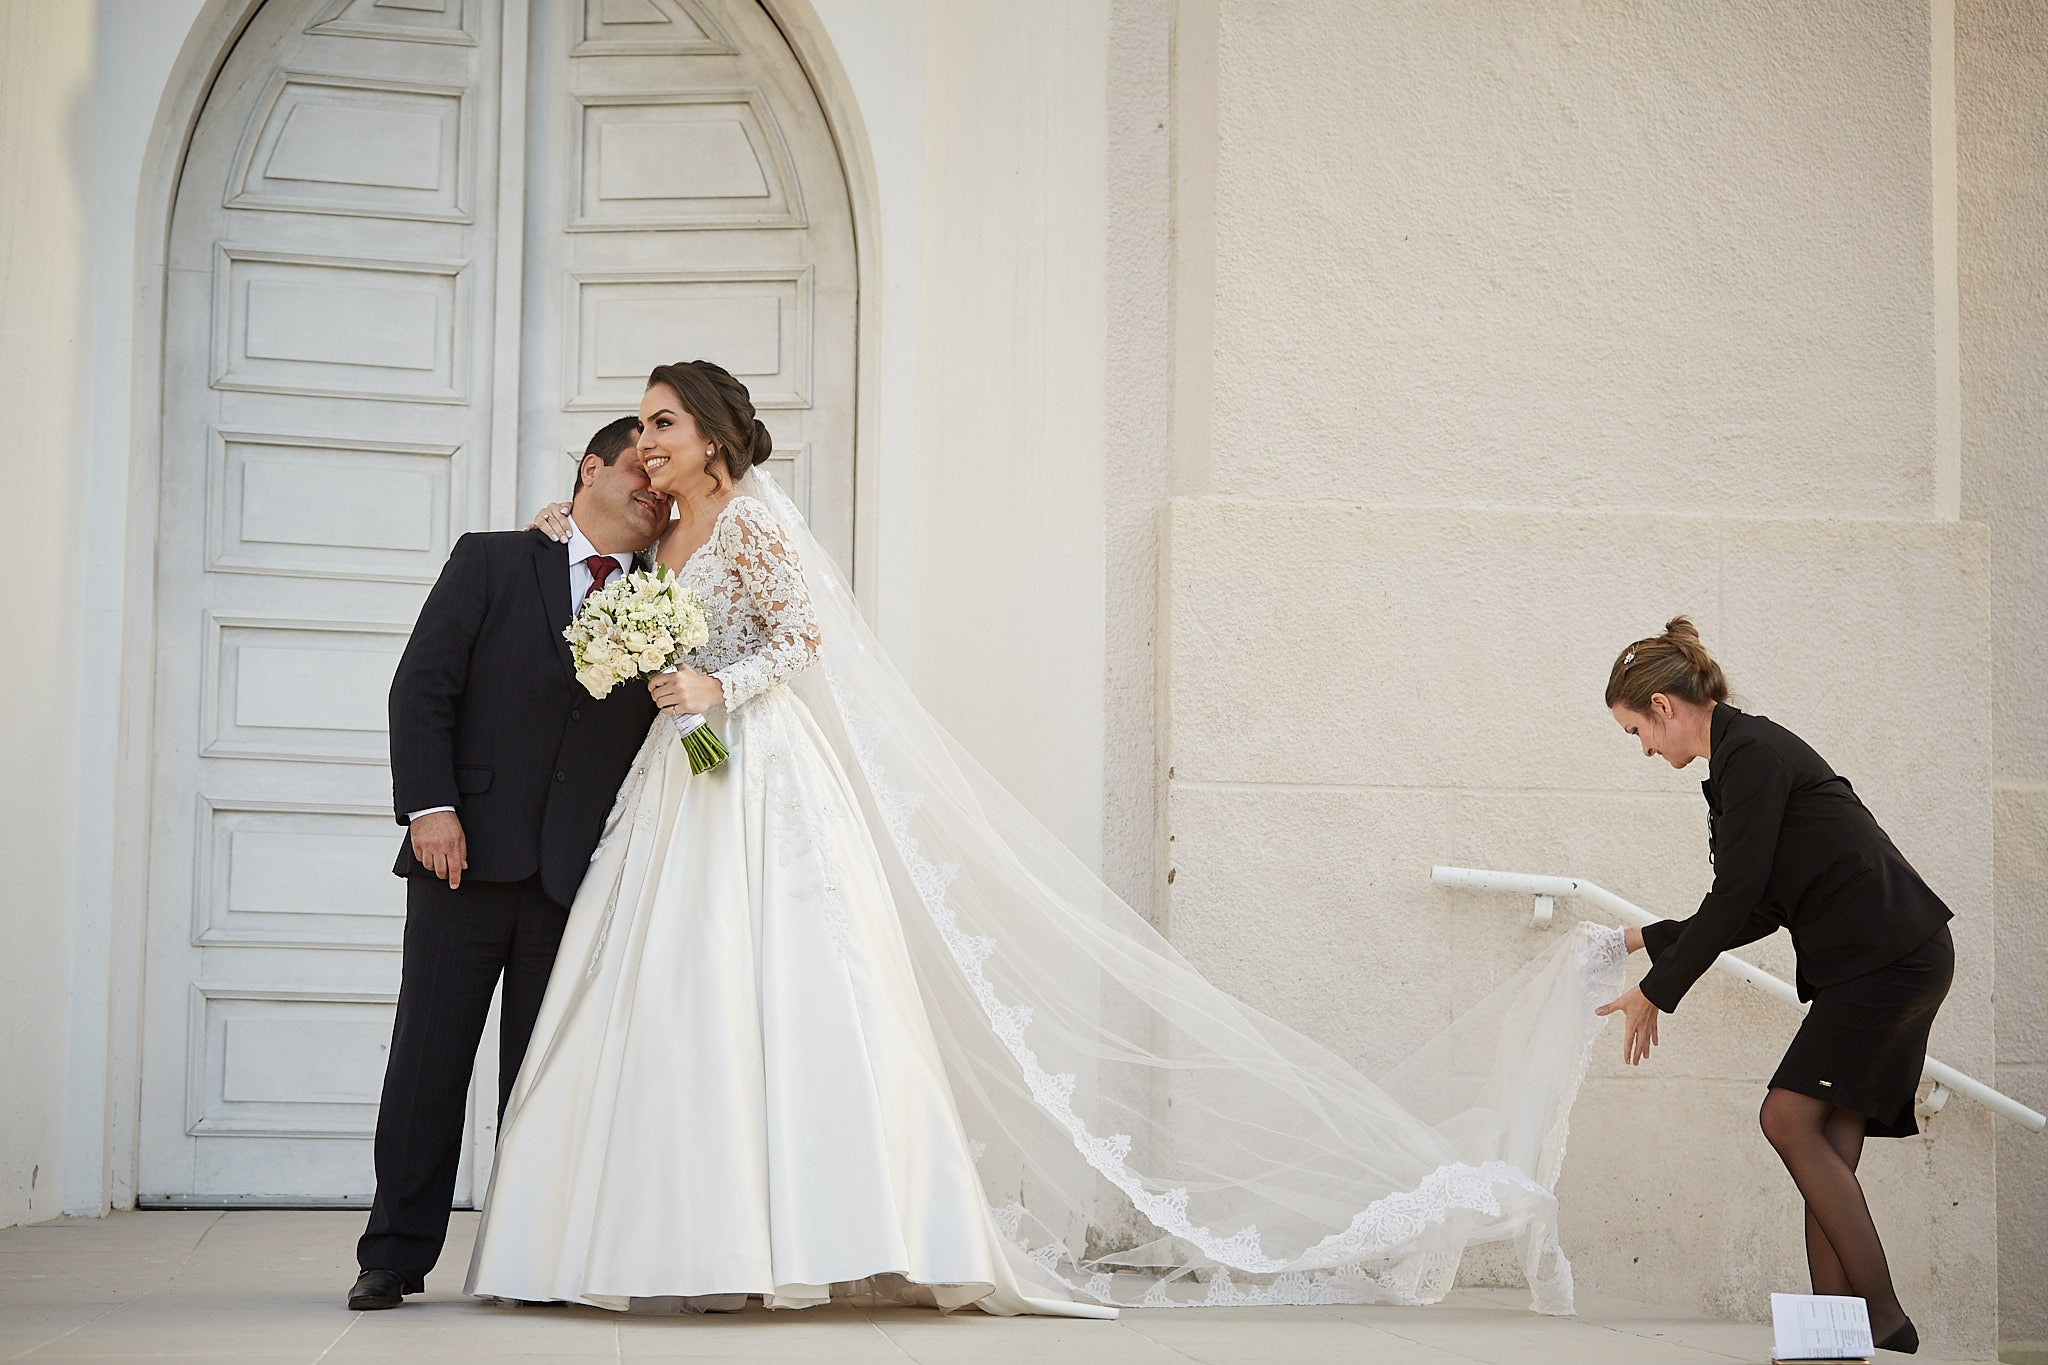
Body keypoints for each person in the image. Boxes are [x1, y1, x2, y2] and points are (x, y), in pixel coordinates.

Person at [466, 358, 1625, 1317]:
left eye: (661, 424)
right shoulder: (663, 522)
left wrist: (717, 692)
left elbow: (799, 640)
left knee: (772, 986)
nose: (642, 444)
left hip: (751, 772)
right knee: (665, 991)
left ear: (712, 437)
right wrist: (565, 536)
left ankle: (796, 1230)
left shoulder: (755, 527)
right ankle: (641, 1237)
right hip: (678, 783)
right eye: (641, 429)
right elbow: (602, 559)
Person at [349, 418, 668, 1311]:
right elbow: (422, 687)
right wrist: (431, 807)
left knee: (541, 1073)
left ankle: (532, 1253)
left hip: (579, 873)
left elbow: (684, 734)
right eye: (636, 470)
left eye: (662, 478)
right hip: (465, 856)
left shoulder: (668, 598)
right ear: (589, 470)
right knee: (428, 1060)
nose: (652, 487)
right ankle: (395, 1252)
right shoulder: (491, 558)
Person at [1596, 618, 1953, 1357]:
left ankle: (1882, 1317)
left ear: (1664, 706)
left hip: (1886, 957)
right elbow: (1754, 905)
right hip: (1885, 955)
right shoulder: (1734, 764)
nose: (1644, 749)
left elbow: (1737, 895)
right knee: (1824, 1144)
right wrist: (1638, 940)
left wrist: (1658, 990)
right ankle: (1833, 1335)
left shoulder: (1751, 754)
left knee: (1787, 1119)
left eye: (1637, 730)